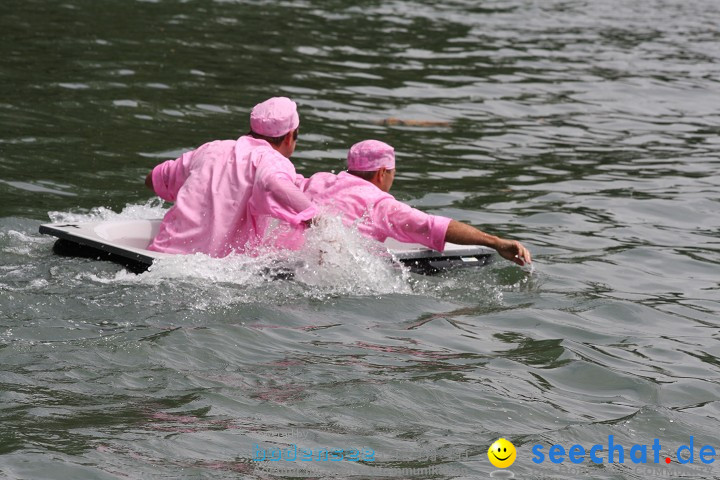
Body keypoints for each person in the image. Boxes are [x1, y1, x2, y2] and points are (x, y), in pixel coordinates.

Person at [296, 140, 532, 266]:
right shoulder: (380, 204)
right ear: (381, 173)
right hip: (335, 274)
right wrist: (495, 242)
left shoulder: (317, 180)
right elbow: (433, 226)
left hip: (294, 258)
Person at [144, 97, 317, 257]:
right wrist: (316, 217)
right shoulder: (273, 161)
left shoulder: (211, 149)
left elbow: (153, 179)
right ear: (289, 137)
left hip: (161, 253)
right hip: (206, 272)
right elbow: (275, 182)